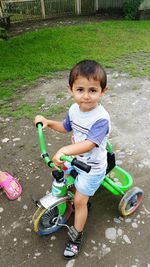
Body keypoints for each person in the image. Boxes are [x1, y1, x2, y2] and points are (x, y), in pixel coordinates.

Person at [35, 59, 111, 259]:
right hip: (75, 158)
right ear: (70, 89)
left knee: (79, 201)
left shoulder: (101, 118)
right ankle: (74, 199)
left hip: (92, 167)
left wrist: (64, 150)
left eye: (93, 90)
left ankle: (76, 236)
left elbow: (89, 144)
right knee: (63, 176)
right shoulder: (74, 110)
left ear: (103, 91)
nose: (86, 96)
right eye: (80, 89)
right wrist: (48, 122)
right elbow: (66, 127)